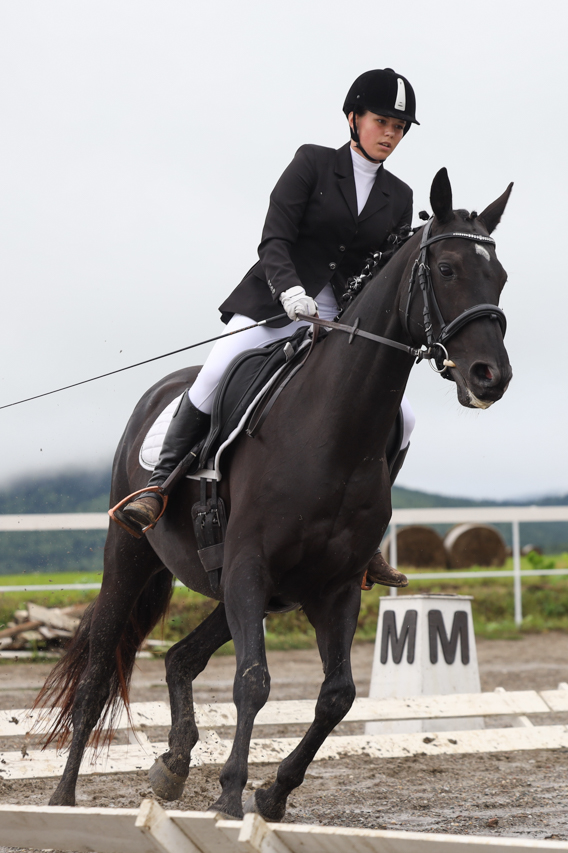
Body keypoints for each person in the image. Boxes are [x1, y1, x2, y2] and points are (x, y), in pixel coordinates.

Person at [112, 69, 421, 587]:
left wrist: (346, 315)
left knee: (404, 416)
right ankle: (158, 487)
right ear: (354, 118)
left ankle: (365, 532)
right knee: (217, 369)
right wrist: (290, 291)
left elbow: (379, 271)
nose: (390, 133)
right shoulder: (312, 163)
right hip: (276, 302)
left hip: (340, 324)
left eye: (400, 127)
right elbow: (274, 238)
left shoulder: (401, 195)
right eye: (382, 121)